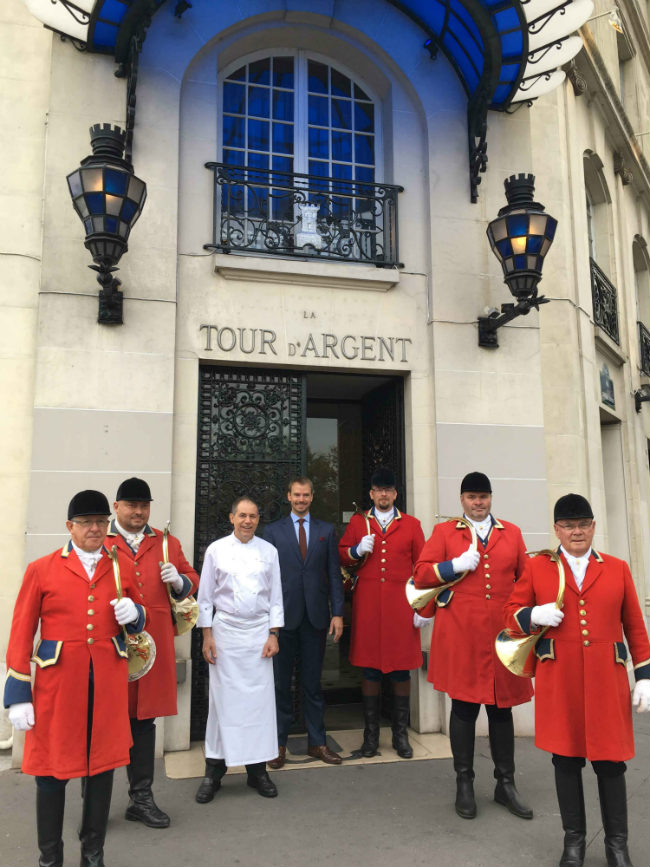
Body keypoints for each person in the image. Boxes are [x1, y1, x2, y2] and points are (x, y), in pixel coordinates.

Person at [504, 493, 650, 867]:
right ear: (556, 529)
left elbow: (634, 625)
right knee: (566, 761)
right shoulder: (538, 567)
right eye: (568, 526)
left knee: (610, 762)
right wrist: (534, 614)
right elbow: (510, 615)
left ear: (594, 527)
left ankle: (617, 845)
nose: (576, 532)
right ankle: (574, 843)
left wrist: (645, 675)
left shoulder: (616, 567)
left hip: (607, 677)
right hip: (560, 677)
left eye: (583, 524)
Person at [4, 490, 145, 867]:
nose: (96, 529)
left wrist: (137, 613)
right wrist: (18, 691)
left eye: (101, 522)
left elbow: (137, 623)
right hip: (58, 687)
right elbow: (21, 631)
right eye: (86, 523)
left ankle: (93, 856)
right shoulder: (42, 568)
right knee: (51, 773)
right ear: (70, 527)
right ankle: (50, 859)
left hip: (107, 686)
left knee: (101, 771)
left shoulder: (120, 566)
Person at [413, 471, 533, 820]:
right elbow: (420, 573)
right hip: (461, 632)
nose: (477, 503)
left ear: (491, 498)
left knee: (502, 708)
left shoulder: (511, 532)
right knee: (464, 708)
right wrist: (453, 566)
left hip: (501, 633)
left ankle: (505, 783)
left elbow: (525, 580)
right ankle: (464, 782)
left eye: (483, 497)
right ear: (462, 500)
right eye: (471, 497)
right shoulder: (445, 532)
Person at [107, 477, 199, 828]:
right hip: (114, 648)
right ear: (117, 507)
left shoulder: (165, 542)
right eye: (131, 505)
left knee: (144, 723)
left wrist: (178, 581)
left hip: (153, 648)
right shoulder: (103, 539)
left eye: (144, 506)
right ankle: (93, 799)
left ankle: (141, 799)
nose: (138, 512)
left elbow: (193, 579)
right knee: (103, 720)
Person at [195, 496, 284, 803]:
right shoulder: (216, 551)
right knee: (221, 705)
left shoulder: (269, 551)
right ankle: (213, 772)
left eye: (253, 516)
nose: (248, 521)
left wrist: (273, 634)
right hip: (226, 635)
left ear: (259, 520)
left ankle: (257, 771)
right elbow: (204, 598)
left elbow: (275, 598)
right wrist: (207, 636)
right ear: (231, 518)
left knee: (258, 706)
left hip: (258, 635)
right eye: (242, 515)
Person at [339, 467, 428, 759]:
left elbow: (423, 569)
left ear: (395, 494)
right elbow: (340, 555)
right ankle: (371, 737)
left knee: (401, 670)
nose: (384, 495)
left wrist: (423, 608)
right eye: (379, 490)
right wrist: (355, 550)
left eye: (388, 490)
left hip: (401, 609)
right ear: (371, 494)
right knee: (370, 669)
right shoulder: (358, 522)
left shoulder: (412, 525)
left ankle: (401, 735)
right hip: (368, 609)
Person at [263, 477, 345, 768]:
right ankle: (278, 744)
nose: (301, 499)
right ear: (288, 496)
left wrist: (338, 613)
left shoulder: (325, 530)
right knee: (281, 684)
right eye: (296, 495)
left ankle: (317, 742)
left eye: (306, 495)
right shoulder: (272, 532)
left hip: (315, 619)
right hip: (282, 619)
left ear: (312, 497)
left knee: (312, 684)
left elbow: (334, 574)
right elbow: (266, 578)